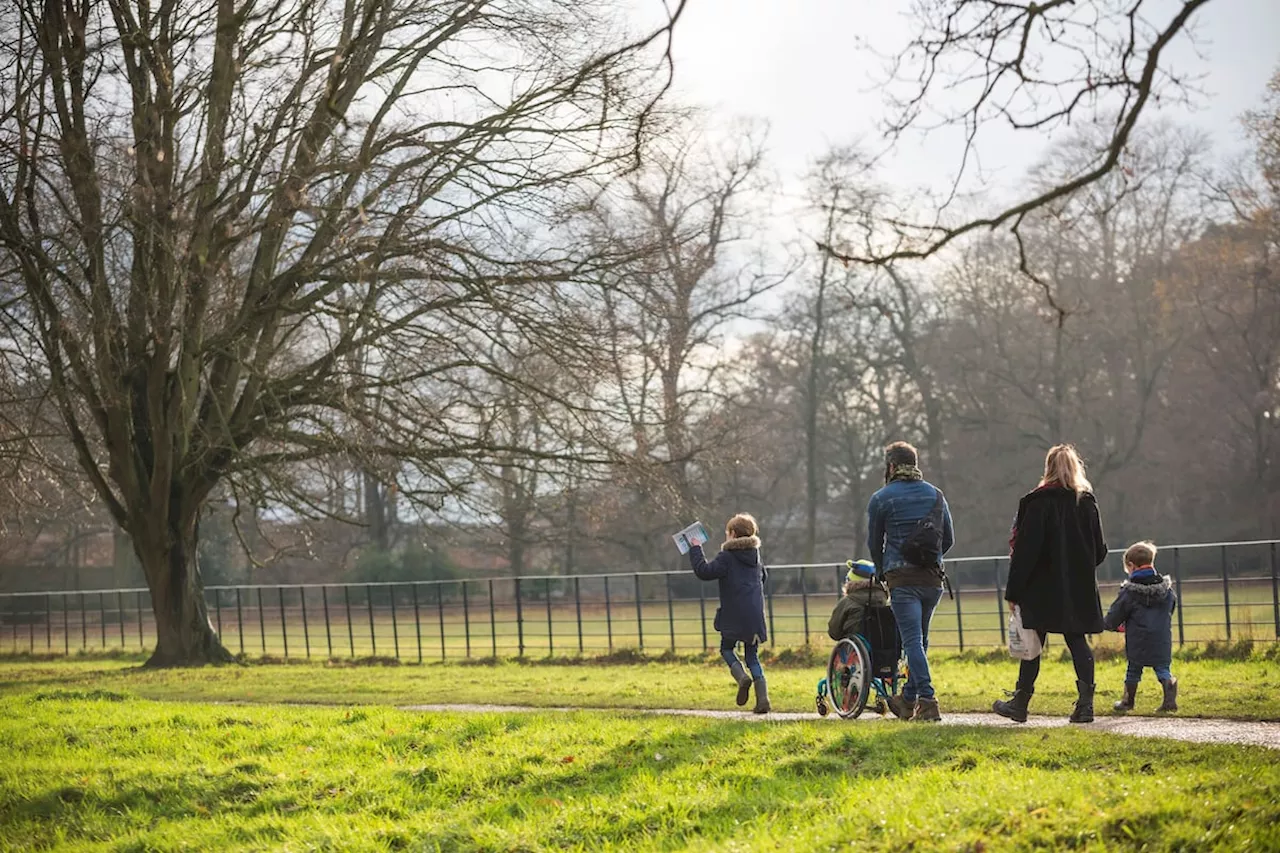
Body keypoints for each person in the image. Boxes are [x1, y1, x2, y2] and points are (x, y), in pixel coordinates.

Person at [993, 444, 1108, 724]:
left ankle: (1020, 704)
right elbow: (1100, 550)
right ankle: (1085, 706)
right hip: (1076, 587)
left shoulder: (1036, 503)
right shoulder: (1087, 503)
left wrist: (1014, 591)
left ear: (1048, 468)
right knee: (1077, 641)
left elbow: (1025, 552)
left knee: (1033, 644)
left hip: (1041, 587)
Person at [866, 441, 954, 722]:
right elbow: (948, 538)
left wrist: (882, 572)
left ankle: (927, 699)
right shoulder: (936, 495)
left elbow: (873, 542)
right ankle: (907, 699)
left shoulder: (881, 498)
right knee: (921, 641)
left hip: (902, 579)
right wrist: (931, 560)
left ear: (891, 466)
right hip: (933, 579)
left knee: (912, 641)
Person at [689, 512, 770, 714]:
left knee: (727, 649)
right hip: (754, 615)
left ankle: (741, 678)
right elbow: (764, 577)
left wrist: (695, 548)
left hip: (734, 614)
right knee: (753, 658)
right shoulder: (756, 557)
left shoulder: (727, 557)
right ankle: (763, 700)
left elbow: (704, 571)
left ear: (732, 534)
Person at [1103, 541, 1178, 714]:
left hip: (1137, 638)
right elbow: (1171, 608)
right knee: (1162, 668)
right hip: (1161, 637)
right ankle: (1169, 695)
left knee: (1133, 669)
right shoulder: (1167, 591)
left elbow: (1115, 615)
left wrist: (1109, 624)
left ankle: (1128, 702)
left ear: (1131, 566)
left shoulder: (1129, 592)